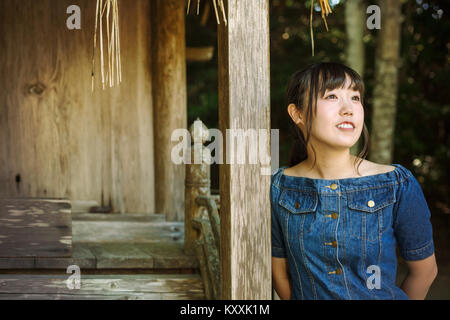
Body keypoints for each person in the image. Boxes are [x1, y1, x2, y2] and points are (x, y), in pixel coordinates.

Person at [271, 62, 438, 300]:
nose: (348, 108)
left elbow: (425, 271)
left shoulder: (396, 183)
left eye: (356, 98)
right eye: (332, 96)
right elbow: (280, 275)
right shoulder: (280, 188)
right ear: (297, 113)